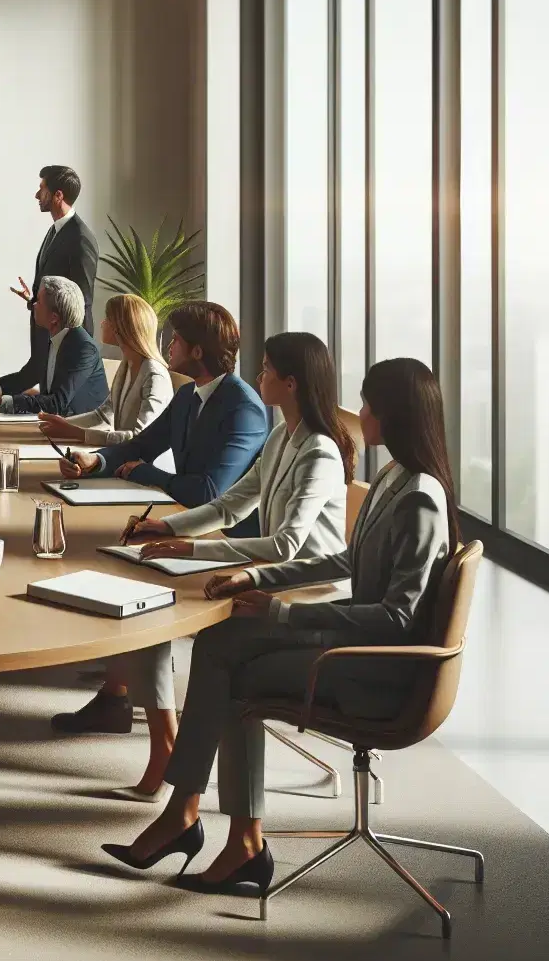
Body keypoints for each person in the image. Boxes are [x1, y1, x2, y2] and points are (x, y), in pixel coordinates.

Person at [101, 357, 457, 896]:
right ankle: (199, 819)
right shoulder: (393, 477)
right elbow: (344, 560)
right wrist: (254, 581)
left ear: (395, 414)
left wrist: (281, 609)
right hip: (352, 638)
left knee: (239, 675)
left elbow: (396, 618)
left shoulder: (420, 499)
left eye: (369, 404)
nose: (360, 414)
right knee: (220, 640)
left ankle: (224, 833)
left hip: (377, 666)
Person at [89, 332, 354, 797]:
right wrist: (170, 530)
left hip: (305, 595)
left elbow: (288, 545)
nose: (258, 376)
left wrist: (192, 551)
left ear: (290, 384)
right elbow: (231, 505)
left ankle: (177, 783)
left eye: (267, 369)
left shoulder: (319, 452)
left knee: (196, 628)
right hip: (269, 579)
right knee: (150, 597)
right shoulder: (281, 438)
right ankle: (164, 750)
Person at [47, 301, 266, 735]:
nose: (168, 345)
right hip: (188, 519)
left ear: (198, 351)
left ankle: (132, 712)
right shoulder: (189, 395)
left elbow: (210, 491)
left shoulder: (243, 408)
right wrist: (95, 461)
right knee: (120, 555)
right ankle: (116, 697)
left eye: (177, 339)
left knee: (136, 575)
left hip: (231, 542)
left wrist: (142, 472)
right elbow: (138, 447)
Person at [0, 276, 107, 416]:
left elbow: (57, 403)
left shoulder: (84, 349)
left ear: (54, 318)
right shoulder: (53, 337)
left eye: (38, 301)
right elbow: (25, 376)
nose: (33, 305)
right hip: (57, 425)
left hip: (82, 432)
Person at [37, 292, 171, 446]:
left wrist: (76, 433)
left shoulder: (154, 376)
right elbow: (103, 415)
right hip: (122, 460)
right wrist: (62, 424)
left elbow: (140, 438)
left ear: (120, 327)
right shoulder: (127, 365)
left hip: (144, 466)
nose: (102, 323)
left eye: (107, 319)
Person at [11, 165, 98, 356]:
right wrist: (33, 301)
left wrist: (76, 354)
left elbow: (81, 301)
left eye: (42, 189)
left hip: (68, 348)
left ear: (58, 195)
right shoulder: (55, 230)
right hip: (49, 341)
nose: (36, 195)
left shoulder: (81, 239)